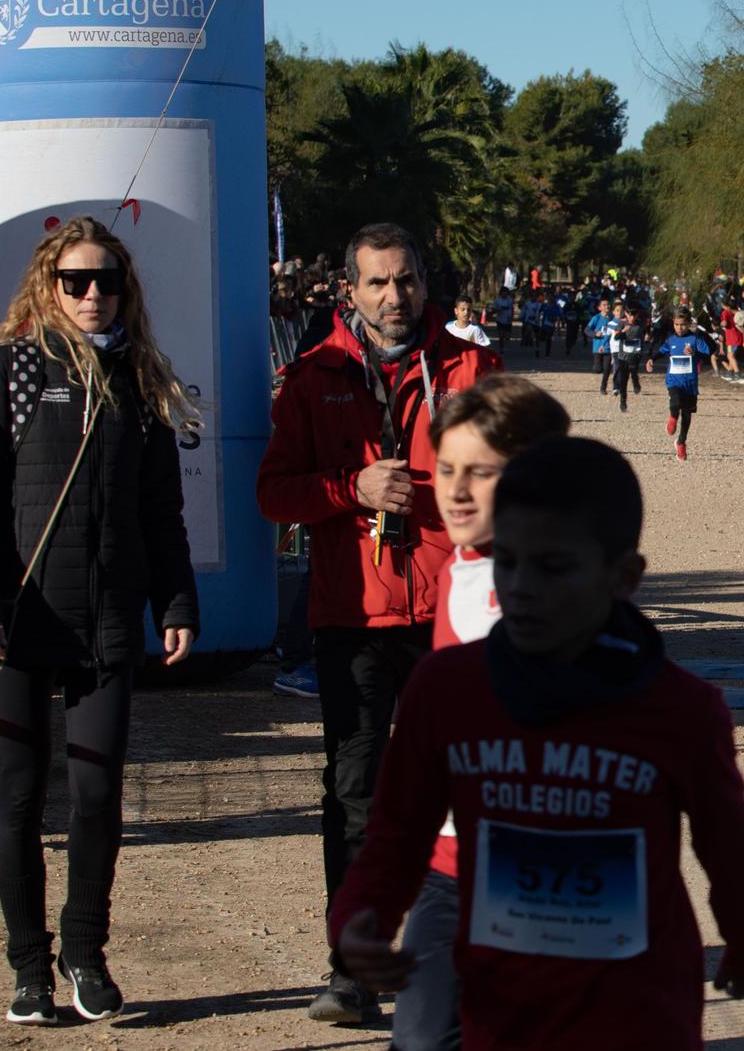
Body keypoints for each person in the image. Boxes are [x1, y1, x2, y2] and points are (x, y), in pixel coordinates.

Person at [327, 439, 744, 1049]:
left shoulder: (680, 709)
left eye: (555, 566)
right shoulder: (446, 690)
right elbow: (398, 829)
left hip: (635, 1009)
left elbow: (728, 843)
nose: (521, 586)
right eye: (507, 561)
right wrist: (363, 917)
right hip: (501, 1000)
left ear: (625, 577)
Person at [0, 216, 200, 1025]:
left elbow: (162, 511)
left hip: (108, 619)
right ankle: (28, 968)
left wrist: (179, 602)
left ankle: (85, 951)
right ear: (48, 286)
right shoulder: (7, 370)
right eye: (76, 281)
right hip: (16, 621)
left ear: (127, 289)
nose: (93, 295)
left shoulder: (140, 378)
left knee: (97, 793)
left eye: (108, 281)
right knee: (20, 793)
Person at [256, 222, 502, 1026]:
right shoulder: (311, 376)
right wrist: (349, 488)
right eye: (377, 284)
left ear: (424, 282)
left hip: (456, 615)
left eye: (406, 280)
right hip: (354, 614)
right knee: (355, 792)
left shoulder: (473, 367)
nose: (394, 297)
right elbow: (274, 493)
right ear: (350, 293)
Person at [390, 376, 571, 1051]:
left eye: (482, 473)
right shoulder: (457, 570)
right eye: (445, 470)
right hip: (450, 864)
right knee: (419, 1037)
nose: (456, 489)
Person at [651, 307, 714, 462]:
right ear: (673, 323)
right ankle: (673, 417)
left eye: (683, 325)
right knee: (675, 401)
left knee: (687, 413)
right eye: (677, 324)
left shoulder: (695, 339)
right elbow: (662, 350)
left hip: (690, 383)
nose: (680, 328)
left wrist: (695, 353)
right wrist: (651, 359)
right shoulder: (671, 340)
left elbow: (709, 352)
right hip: (674, 380)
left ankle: (681, 442)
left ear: (689, 324)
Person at [586, 298, 615, 395]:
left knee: (607, 369)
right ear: (599, 308)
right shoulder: (596, 318)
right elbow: (587, 330)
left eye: (608, 304)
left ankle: (603, 388)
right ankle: (597, 368)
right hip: (597, 348)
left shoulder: (612, 318)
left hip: (608, 347)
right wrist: (595, 334)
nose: (607, 306)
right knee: (598, 369)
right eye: (604, 305)